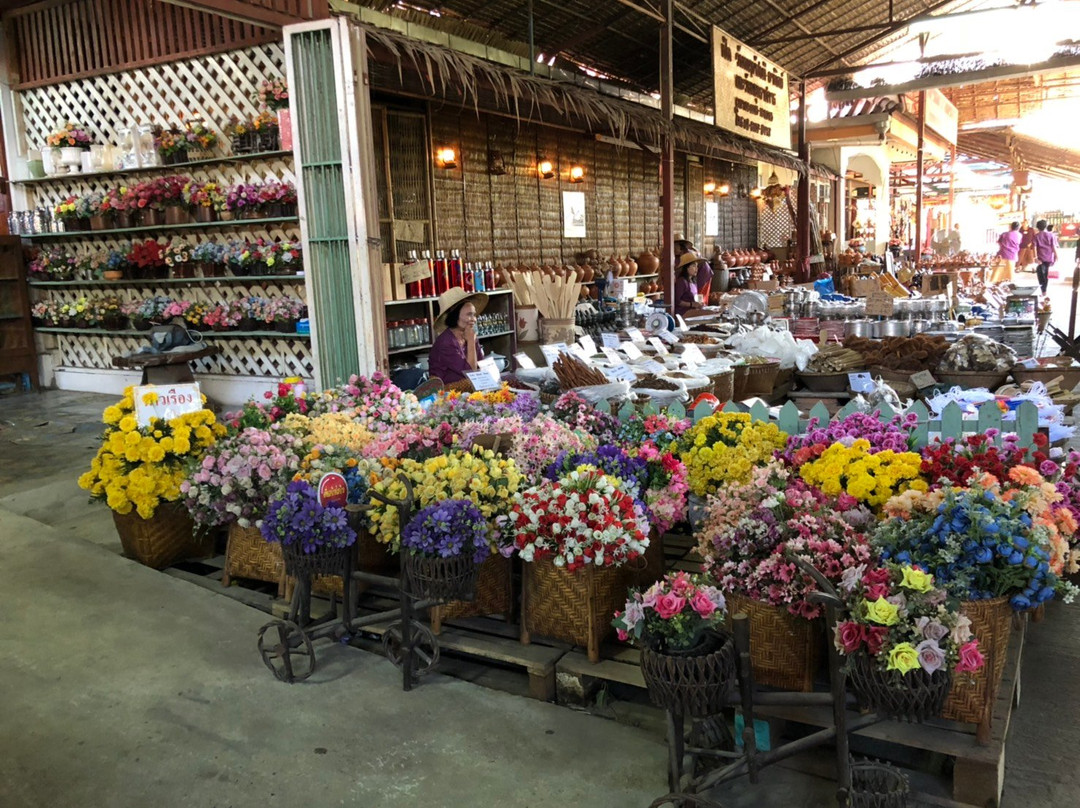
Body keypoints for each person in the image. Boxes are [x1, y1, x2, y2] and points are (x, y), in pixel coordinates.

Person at [428, 287, 487, 385]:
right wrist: (471, 341)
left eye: (474, 315)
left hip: (468, 388)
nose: (474, 319)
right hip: (446, 392)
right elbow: (471, 373)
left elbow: (481, 364)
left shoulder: (470, 334)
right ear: (455, 316)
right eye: (469, 314)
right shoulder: (445, 342)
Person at [1021, 220, 1059, 294]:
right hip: (1049, 258)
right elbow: (1053, 247)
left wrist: (1035, 257)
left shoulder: (1036, 236)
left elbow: (1034, 247)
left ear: (1037, 227)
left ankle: (1043, 290)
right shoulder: (1051, 235)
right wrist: (1057, 256)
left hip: (1041, 258)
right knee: (1046, 273)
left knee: (1041, 273)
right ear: (1046, 226)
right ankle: (1044, 289)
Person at [673, 252, 706, 317]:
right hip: (683, 314)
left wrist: (699, 304)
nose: (696, 268)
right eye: (693, 266)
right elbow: (677, 301)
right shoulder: (682, 281)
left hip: (692, 312)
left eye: (697, 266)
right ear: (686, 268)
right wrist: (692, 304)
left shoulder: (693, 281)